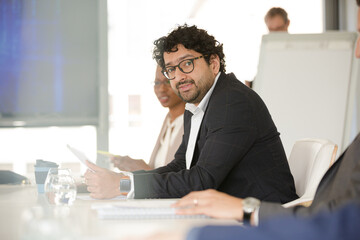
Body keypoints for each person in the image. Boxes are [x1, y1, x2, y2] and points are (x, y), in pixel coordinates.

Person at [84, 24, 298, 202]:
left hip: (263, 220)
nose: (178, 77)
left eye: (186, 63)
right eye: (171, 69)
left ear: (213, 64)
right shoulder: (196, 103)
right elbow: (181, 165)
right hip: (226, 212)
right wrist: (124, 178)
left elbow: (203, 179)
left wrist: (123, 186)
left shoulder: (232, 102)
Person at [110, 65, 185, 171]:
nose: (161, 89)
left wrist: (144, 169)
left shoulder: (192, 123)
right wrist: (133, 167)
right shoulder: (168, 120)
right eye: (157, 83)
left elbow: (180, 179)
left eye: (167, 82)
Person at [245, 7, 290, 88]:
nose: (274, 34)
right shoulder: (266, 49)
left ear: (287, 23)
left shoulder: (299, 50)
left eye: (278, 29)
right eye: (271, 30)